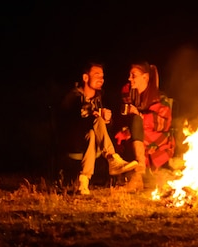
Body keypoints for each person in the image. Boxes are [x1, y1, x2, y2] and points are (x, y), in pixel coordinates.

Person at [58, 62, 137, 195]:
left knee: (92, 133)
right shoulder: (73, 95)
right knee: (94, 123)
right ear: (85, 77)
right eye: (96, 74)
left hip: (91, 141)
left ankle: (83, 182)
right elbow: (78, 112)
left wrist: (107, 120)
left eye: (102, 75)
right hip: (72, 141)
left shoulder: (99, 98)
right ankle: (112, 157)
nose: (101, 78)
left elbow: (104, 128)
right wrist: (97, 114)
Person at [114, 61, 175, 192]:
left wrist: (140, 117)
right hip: (133, 135)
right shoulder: (127, 92)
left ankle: (138, 175)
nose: (129, 78)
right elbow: (123, 117)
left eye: (133, 75)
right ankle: (138, 176)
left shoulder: (159, 97)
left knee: (137, 121)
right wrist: (125, 127)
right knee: (128, 129)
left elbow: (164, 123)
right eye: (129, 75)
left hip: (156, 138)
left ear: (145, 77)